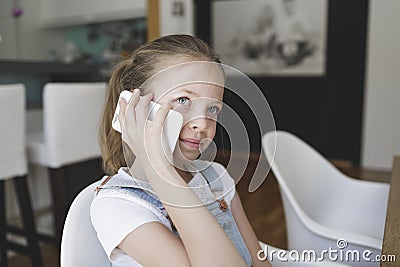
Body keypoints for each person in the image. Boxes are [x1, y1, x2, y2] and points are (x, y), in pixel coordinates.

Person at [91, 34, 271, 267]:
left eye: (213, 108)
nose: (202, 123)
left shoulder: (216, 177)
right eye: (184, 100)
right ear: (133, 106)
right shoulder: (118, 206)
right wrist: (156, 163)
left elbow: (258, 260)